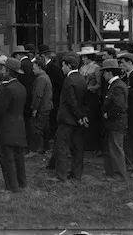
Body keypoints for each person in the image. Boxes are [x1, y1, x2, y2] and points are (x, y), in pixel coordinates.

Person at [48, 53, 88, 183]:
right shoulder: (81, 78)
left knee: (62, 147)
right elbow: (82, 101)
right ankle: (76, 175)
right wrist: (81, 117)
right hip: (77, 120)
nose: (62, 68)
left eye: (63, 66)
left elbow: (71, 101)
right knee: (77, 148)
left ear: (69, 66)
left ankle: (61, 175)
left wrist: (78, 115)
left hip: (67, 119)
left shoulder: (69, 80)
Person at [0, 57, 28, 192]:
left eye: (4, 69)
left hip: (7, 127)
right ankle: (22, 183)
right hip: (19, 125)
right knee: (19, 157)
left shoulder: (8, 89)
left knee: (7, 158)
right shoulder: (21, 87)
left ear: (9, 72)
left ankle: (12, 186)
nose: (2, 71)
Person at [100, 59, 129, 182]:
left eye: (104, 72)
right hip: (113, 123)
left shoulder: (117, 87)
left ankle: (119, 174)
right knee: (111, 147)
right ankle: (111, 172)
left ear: (110, 72)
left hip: (116, 123)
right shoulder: (114, 85)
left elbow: (119, 106)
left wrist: (108, 115)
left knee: (116, 148)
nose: (103, 75)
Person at [77, 45, 103, 152]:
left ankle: (93, 144)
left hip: (92, 96)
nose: (82, 59)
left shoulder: (96, 68)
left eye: (84, 57)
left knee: (91, 118)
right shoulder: (82, 68)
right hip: (83, 95)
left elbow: (99, 83)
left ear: (89, 57)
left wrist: (91, 88)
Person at [27, 57, 53, 156]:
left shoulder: (41, 79)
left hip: (42, 107)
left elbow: (38, 95)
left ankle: (36, 149)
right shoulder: (45, 77)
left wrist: (34, 108)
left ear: (40, 67)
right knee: (45, 128)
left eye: (34, 68)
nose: (33, 70)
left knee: (37, 128)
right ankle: (44, 148)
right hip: (46, 106)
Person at [39, 45, 64, 148]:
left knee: (52, 119)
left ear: (42, 56)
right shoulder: (49, 67)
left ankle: (51, 139)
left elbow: (59, 84)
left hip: (53, 97)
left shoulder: (54, 68)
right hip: (49, 97)